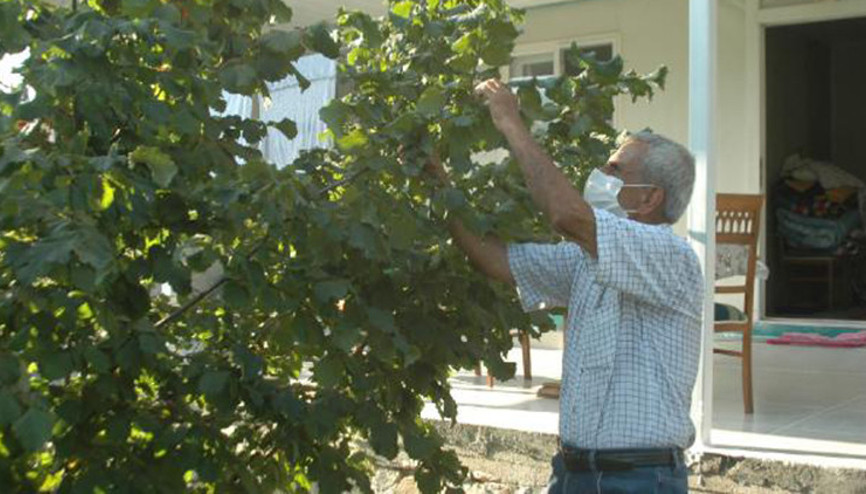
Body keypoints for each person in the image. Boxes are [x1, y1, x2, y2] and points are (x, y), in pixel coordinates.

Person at [424, 78, 702, 493]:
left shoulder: (670, 256)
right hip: (573, 472)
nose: (601, 174)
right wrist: (438, 184)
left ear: (650, 199)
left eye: (615, 169)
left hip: (640, 478)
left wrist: (509, 122)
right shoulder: (585, 258)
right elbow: (496, 260)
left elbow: (565, 216)